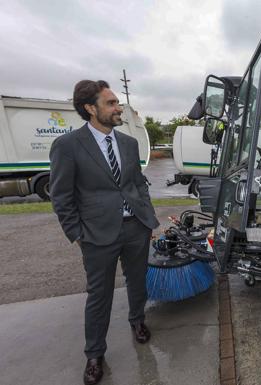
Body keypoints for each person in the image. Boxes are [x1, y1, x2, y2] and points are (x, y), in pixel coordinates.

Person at [49, 80, 160, 385]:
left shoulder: (128, 143)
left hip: (135, 227)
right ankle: (95, 354)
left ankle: (137, 321)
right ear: (90, 108)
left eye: (117, 103)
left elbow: (137, 184)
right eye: (110, 103)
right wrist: (77, 233)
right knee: (99, 295)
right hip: (97, 235)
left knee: (138, 282)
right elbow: (61, 196)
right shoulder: (68, 146)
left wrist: (147, 218)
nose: (118, 108)